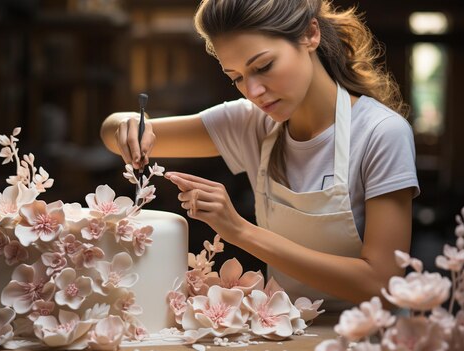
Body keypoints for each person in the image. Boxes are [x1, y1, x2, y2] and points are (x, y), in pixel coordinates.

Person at [101, 0, 419, 310]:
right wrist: (129, 124)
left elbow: (382, 283)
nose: (253, 92)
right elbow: (111, 134)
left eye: (263, 67)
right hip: (285, 335)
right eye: (237, 77)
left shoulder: (381, 133)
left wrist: (239, 230)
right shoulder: (252, 123)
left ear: (310, 34)